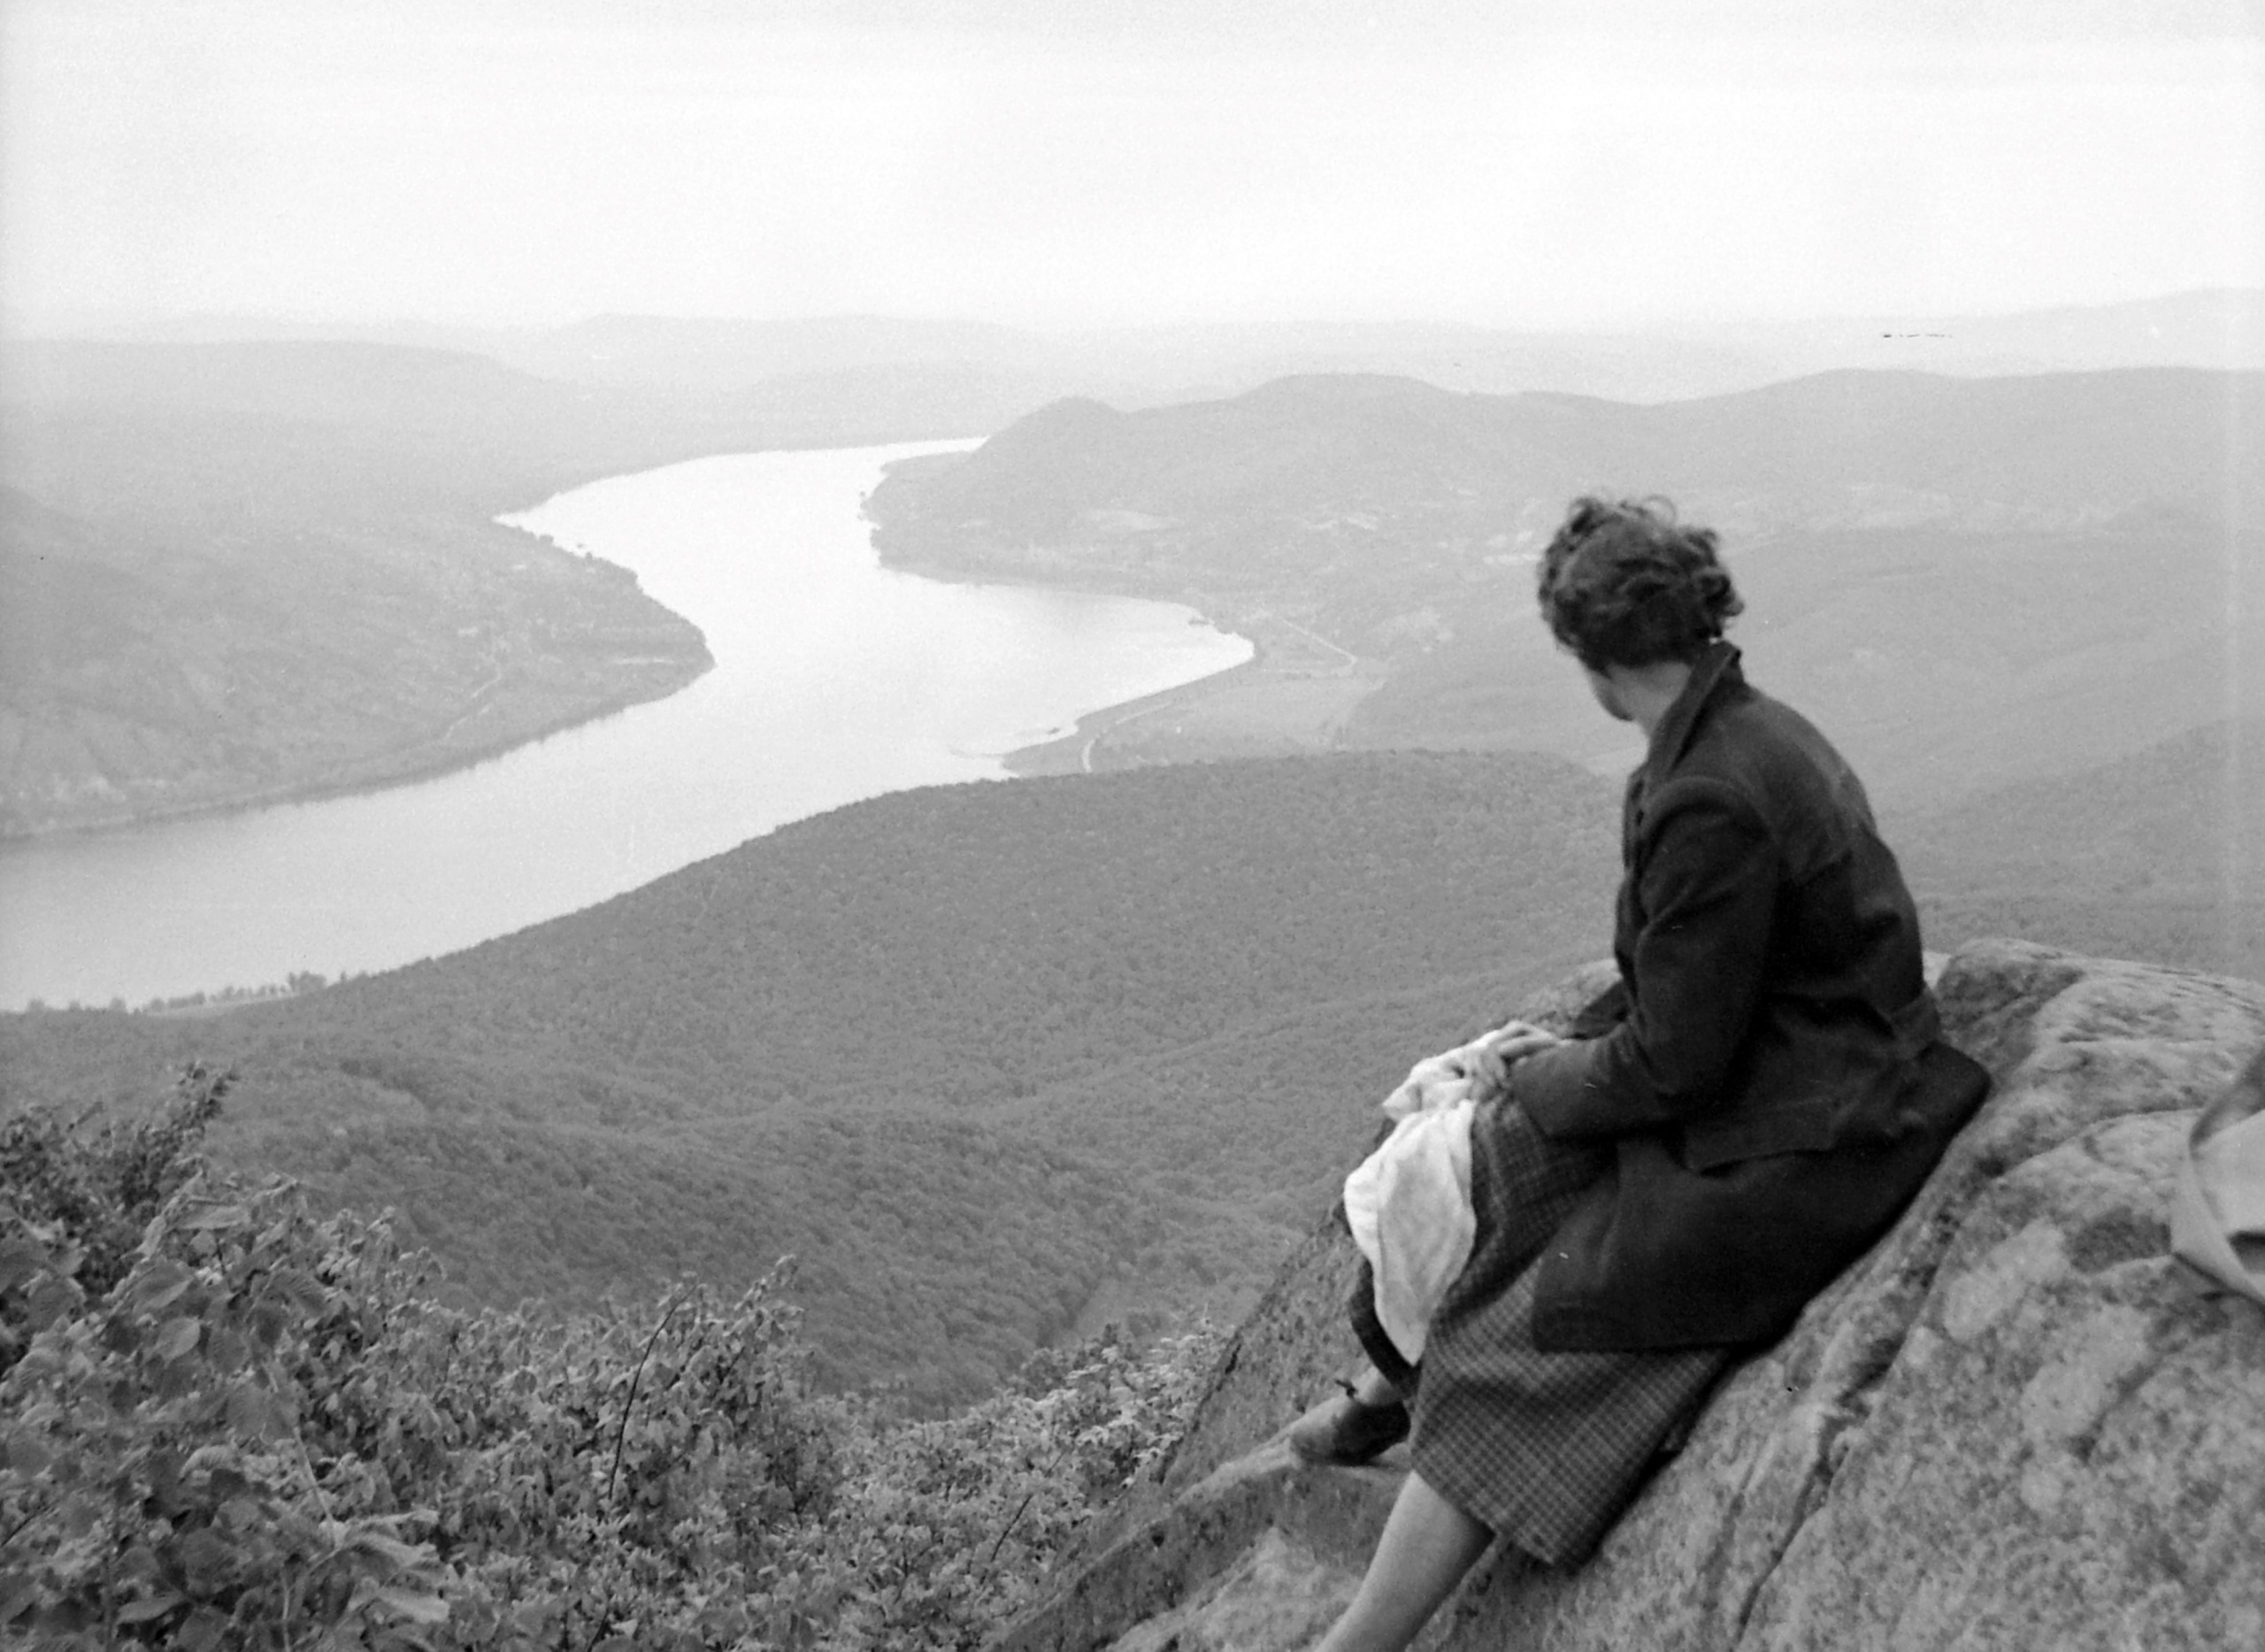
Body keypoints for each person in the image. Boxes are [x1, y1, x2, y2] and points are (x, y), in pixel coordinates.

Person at [1290, 496, 1992, 1652]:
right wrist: (1545, 1067)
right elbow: (1704, 989)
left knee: (1539, 1323)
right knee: (1491, 1160)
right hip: (1790, 1075)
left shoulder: (1711, 791)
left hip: (1814, 1132)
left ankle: (1357, 1638)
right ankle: (1386, 1396)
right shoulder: (1744, 732)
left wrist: (1542, 1078)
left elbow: (1674, 1062)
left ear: (1598, 657)